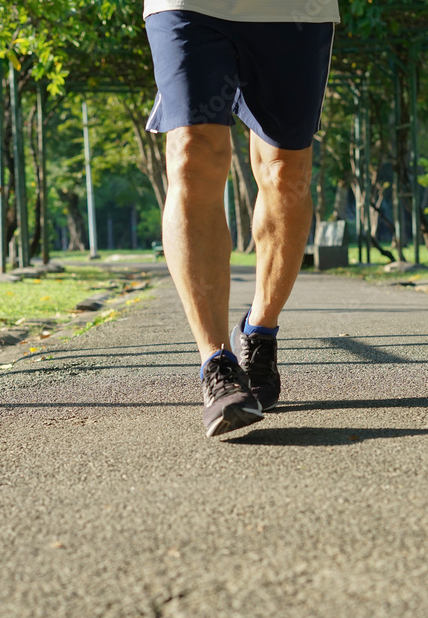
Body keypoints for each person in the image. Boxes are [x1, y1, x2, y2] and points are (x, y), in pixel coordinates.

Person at [143, 0, 340, 437]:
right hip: (187, 6)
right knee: (192, 154)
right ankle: (217, 364)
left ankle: (259, 333)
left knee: (286, 174)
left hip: (292, 11)